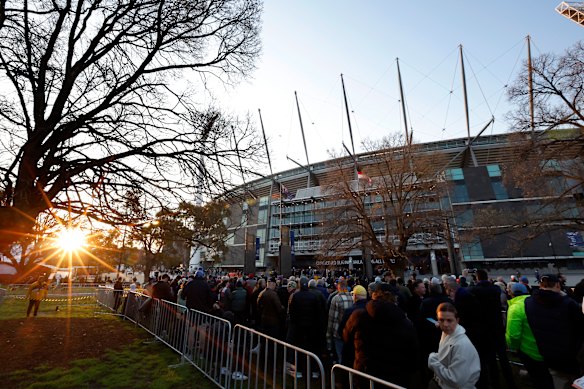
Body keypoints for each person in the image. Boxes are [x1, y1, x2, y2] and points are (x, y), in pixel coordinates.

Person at [343, 283, 418, 388]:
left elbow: (346, 338)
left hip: (365, 374)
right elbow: (413, 352)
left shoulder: (358, 316)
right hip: (394, 378)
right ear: (394, 299)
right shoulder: (405, 322)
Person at [525, 273, 584, 387]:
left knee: (557, 380)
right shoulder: (567, 303)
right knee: (575, 381)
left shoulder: (529, 302)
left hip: (546, 352)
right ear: (557, 285)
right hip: (570, 355)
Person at [506, 282, 553, 389]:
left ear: (511, 294)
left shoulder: (515, 308)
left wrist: (514, 347)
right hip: (545, 348)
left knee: (538, 380)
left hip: (528, 351)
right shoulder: (538, 302)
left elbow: (513, 335)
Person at [428, 302, 481, 389]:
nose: (445, 324)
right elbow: (445, 357)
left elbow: (455, 380)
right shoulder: (447, 333)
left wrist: (433, 361)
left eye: (449, 320)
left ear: (457, 320)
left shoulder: (462, 345)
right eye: (441, 320)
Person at [326, 278, 353, 363]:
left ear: (338, 286)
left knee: (340, 356)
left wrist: (328, 337)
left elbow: (332, 319)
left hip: (338, 332)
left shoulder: (336, 299)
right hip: (350, 331)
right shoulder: (352, 297)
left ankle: (341, 374)